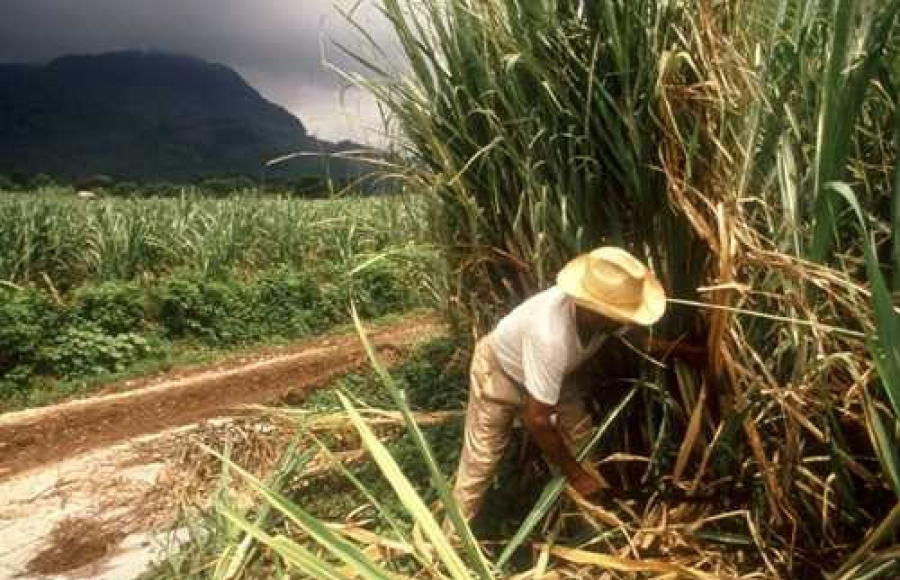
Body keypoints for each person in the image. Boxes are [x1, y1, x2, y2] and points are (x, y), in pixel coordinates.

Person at [450, 246, 704, 522]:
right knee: (480, 463)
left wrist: (688, 351)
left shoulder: (602, 318)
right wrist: (577, 476)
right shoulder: (550, 335)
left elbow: (634, 341)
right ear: (590, 311)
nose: (623, 323)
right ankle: (448, 546)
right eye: (618, 318)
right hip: (500, 373)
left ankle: (595, 528)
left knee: (583, 445)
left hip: (554, 379)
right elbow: (537, 420)